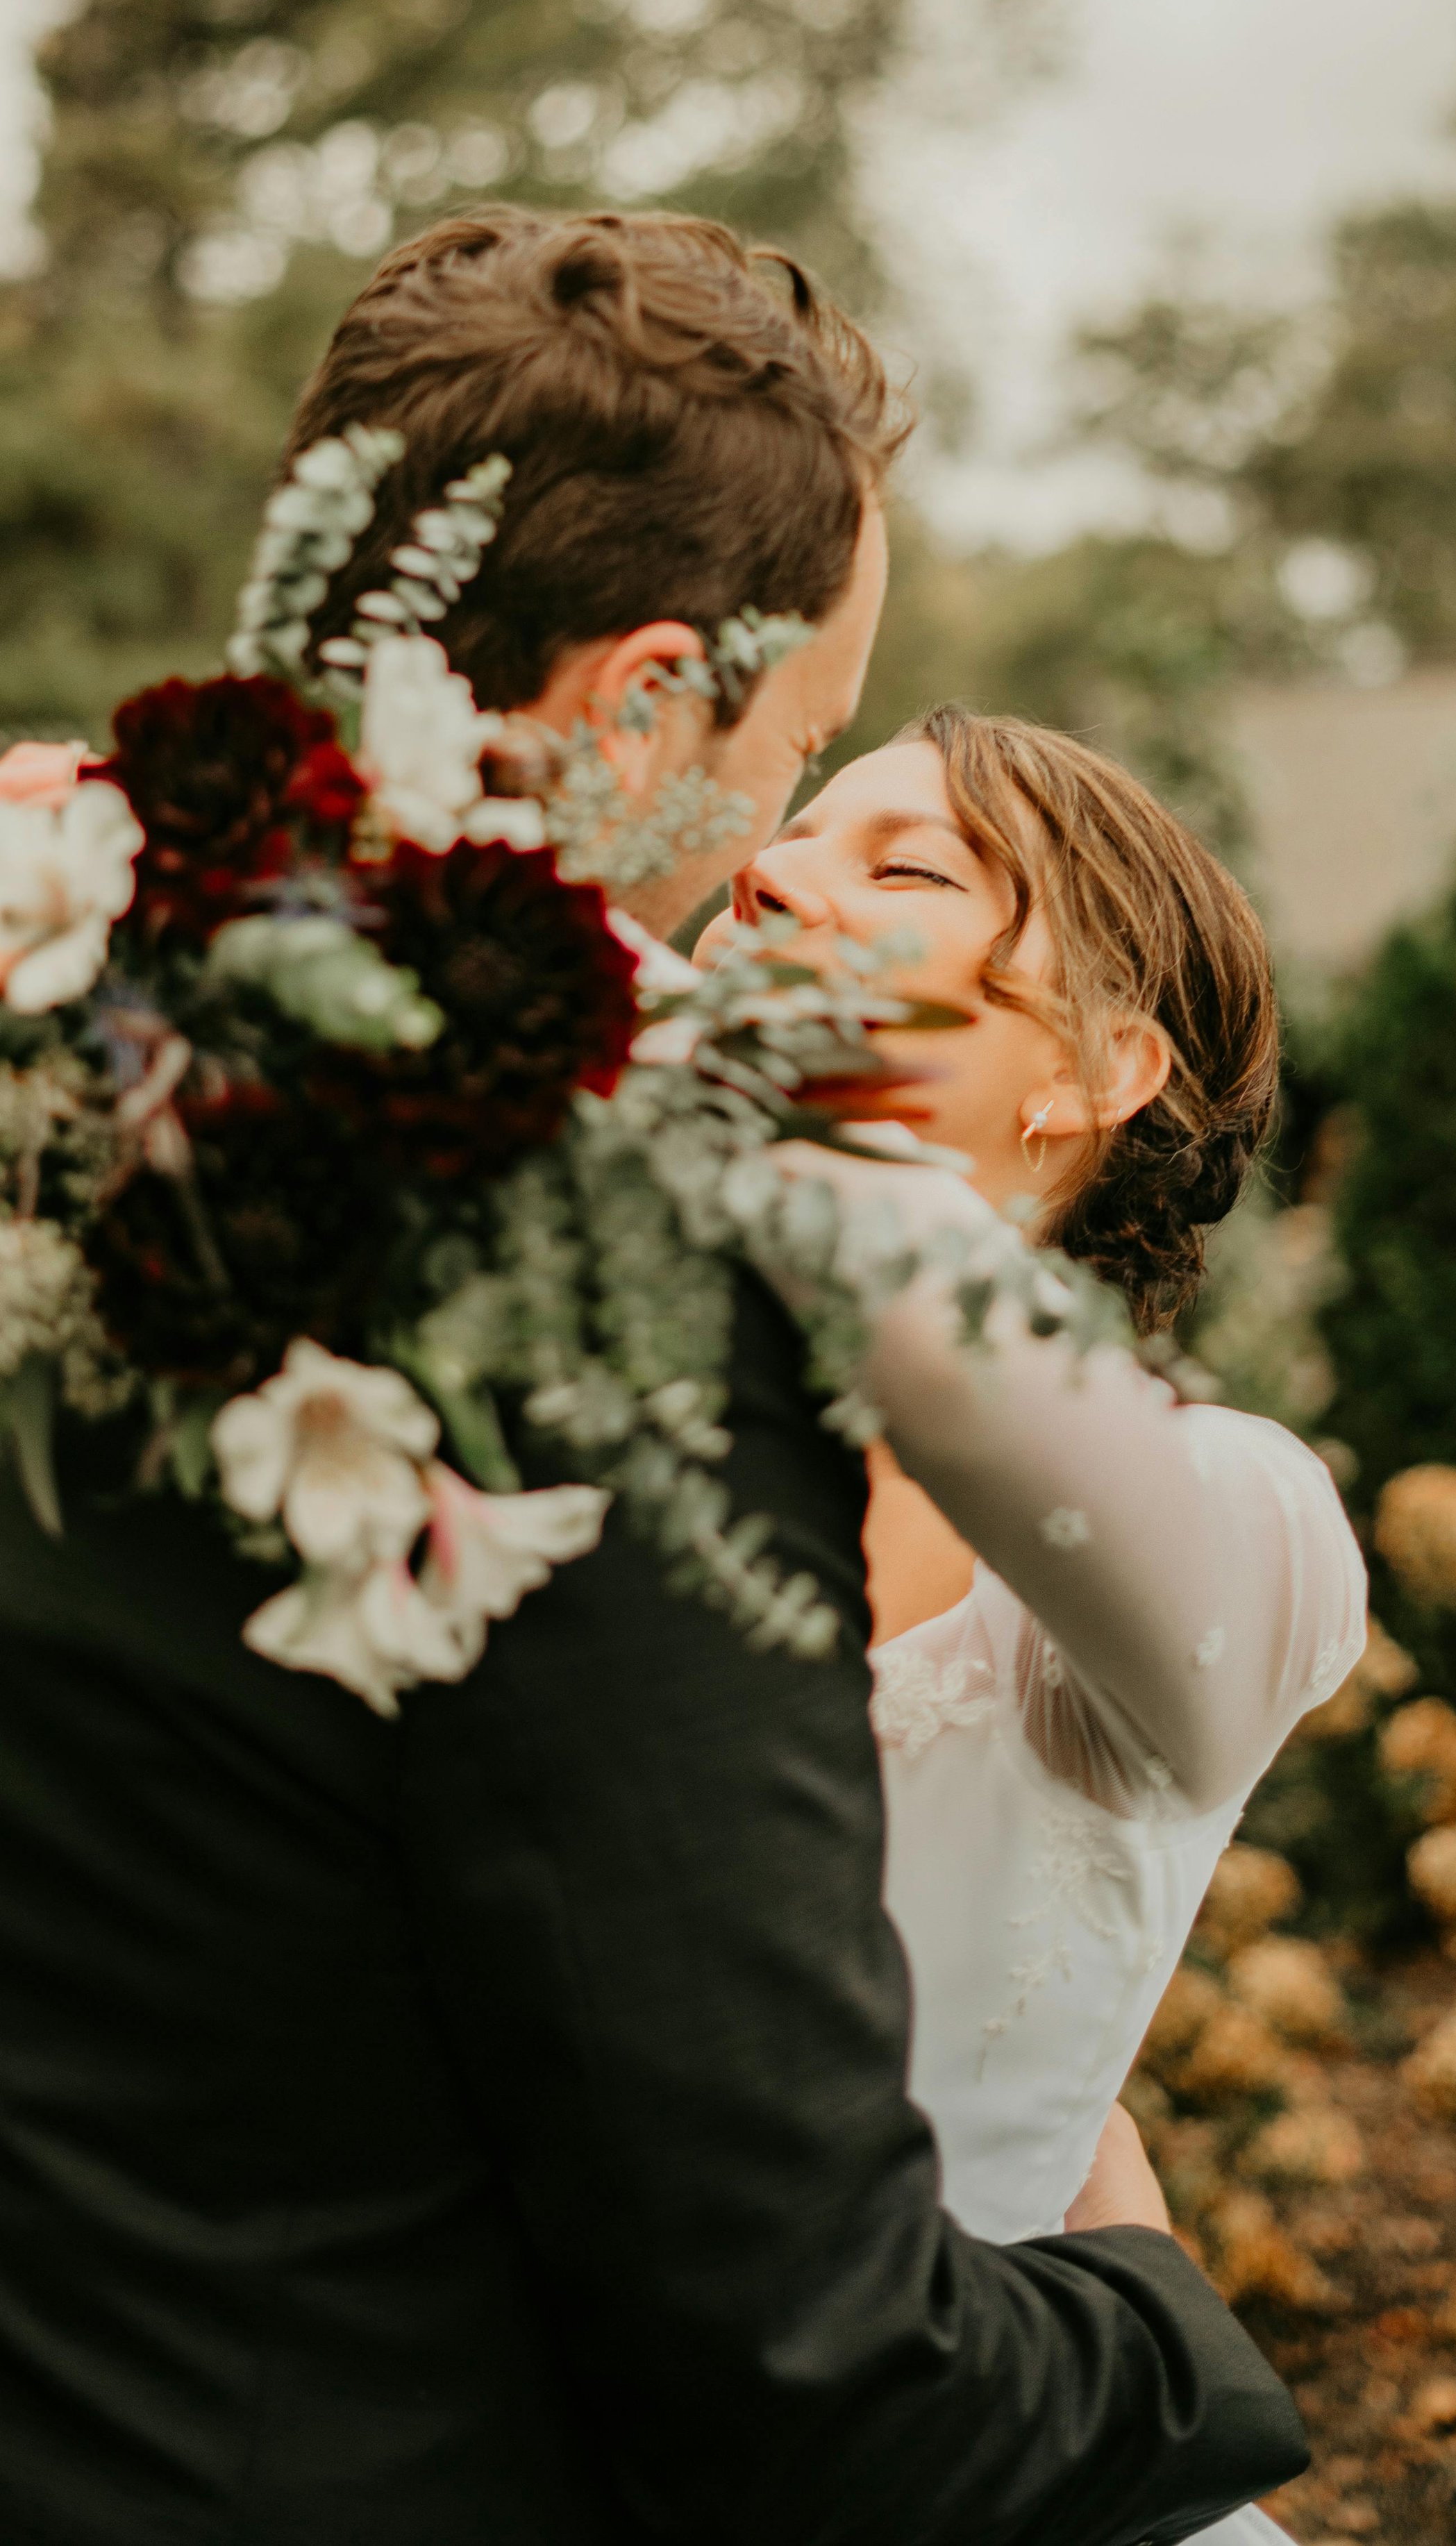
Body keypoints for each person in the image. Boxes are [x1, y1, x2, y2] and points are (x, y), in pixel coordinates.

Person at [0, 206, 1308, 2546]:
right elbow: (814, 2375)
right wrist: (1160, 2317)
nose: (774, 867)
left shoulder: (77, 1020)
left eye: (879, 844)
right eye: (794, 760)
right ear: (636, 702)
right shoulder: (590, 1273)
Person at [702, 710, 1366, 2546]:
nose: (760, 869)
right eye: (787, 832)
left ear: (1095, 1067)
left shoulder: (1234, 1515)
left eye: (896, 866)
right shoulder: (556, 1424)